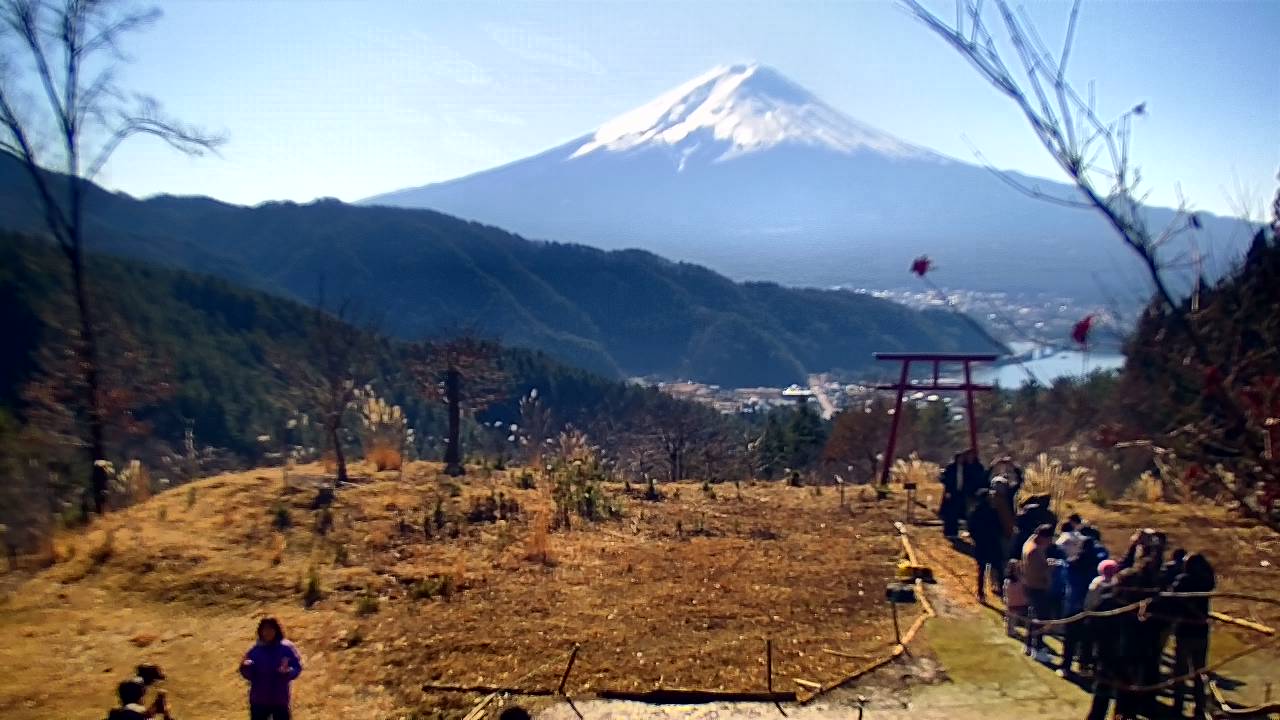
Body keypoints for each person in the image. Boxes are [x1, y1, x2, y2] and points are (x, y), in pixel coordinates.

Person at [1166, 553, 1215, 719]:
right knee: (1199, 671)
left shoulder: (1183, 580)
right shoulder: (1207, 580)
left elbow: (1170, 597)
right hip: (1201, 630)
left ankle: (1178, 706)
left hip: (1185, 630)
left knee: (1180, 670)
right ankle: (1199, 707)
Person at [240, 617, 303, 720]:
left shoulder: (286, 648)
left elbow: (297, 667)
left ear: (276, 630)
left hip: (279, 699)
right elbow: (247, 674)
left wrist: (288, 671)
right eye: (264, 629)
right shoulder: (255, 650)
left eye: (270, 629)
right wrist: (246, 667)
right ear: (260, 631)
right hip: (259, 700)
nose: (267, 632)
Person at [1021, 524, 1055, 662]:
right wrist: (1050, 568)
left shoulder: (1029, 543)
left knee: (1032, 617)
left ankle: (1029, 645)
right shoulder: (1035, 551)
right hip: (1037, 587)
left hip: (1030, 586)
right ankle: (1038, 648)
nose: (1050, 543)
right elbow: (1039, 572)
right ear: (1043, 537)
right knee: (1041, 619)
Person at [967, 488, 1005, 600]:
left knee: (981, 569)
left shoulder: (974, 512)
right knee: (998, 567)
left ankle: (980, 592)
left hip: (981, 543)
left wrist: (976, 539)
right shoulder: (993, 511)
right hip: (993, 542)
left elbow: (971, 528)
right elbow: (1000, 527)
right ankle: (1002, 590)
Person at [938, 452, 964, 538]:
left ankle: (954, 532)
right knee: (949, 513)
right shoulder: (951, 467)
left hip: (959, 493)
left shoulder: (964, 467)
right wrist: (948, 491)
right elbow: (944, 479)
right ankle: (948, 532)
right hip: (951, 492)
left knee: (956, 513)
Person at [1003, 558, 1029, 639]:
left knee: (1012, 616)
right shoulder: (1019, 578)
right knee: (1013, 616)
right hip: (1016, 599)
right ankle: (1011, 631)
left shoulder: (1008, 580)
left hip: (1012, 599)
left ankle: (1010, 629)